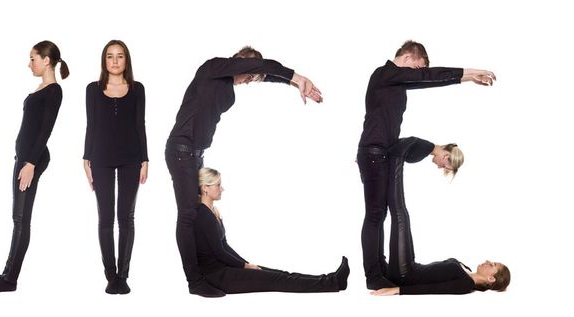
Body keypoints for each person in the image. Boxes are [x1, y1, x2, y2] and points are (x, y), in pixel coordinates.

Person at [164, 46, 322, 298]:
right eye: (249, 74)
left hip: (195, 154)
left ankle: (212, 267)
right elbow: (264, 67)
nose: (250, 81)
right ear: (239, 62)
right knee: (187, 215)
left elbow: (265, 74)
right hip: (181, 150)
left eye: (253, 79)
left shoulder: (229, 82)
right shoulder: (213, 67)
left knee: (202, 212)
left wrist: (291, 85)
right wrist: (297, 77)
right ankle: (194, 281)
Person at [356, 40, 496, 290]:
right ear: (409, 59)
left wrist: (467, 80)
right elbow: (430, 75)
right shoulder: (385, 73)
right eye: (417, 68)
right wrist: (471, 71)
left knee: (379, 214)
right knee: (375, 215)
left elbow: (430, 79)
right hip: (375, 152)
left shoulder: (395, 81)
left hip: (378, 151)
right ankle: (373, 275)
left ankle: (380, 270)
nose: (418, 74)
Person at [0, 40, 68, 293]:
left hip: (32, 159)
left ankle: (9, 279)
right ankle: (7, 273)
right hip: (25, 157)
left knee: (21, 218)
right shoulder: (41, 88)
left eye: (33, 59)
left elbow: (45, 130)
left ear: (46, 60)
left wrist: (30, 163)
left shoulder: (53, 91)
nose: (30, 64)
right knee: (17, 217)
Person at [370, 137, 509, 295]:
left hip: (405, 274)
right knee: (401, 215)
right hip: (410, 266)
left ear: (491, 279)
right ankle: (386, 160)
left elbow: (431, 289)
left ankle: (395, 157)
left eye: (493, 265)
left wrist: (396, 290)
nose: (488, 261)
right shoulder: (467, 271)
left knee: (400, 213)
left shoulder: (465, 285)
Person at [193, 168, 348, 294]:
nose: (222, 189)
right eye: (218, 185)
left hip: (226, 268)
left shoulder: (214, 211)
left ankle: (332, 280)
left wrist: (245, 263)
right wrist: (244, 267)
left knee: (280, 275)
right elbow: (219, 252)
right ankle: (332, 282)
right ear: (205, 188)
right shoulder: (203, 215)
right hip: (218, 276)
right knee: (278, 280)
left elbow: (225, 245)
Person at [82, 40, 147, 294]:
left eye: (120, 56)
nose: (115, 61)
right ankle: (110, 275)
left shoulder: (138, 88)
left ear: (126, 60)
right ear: (104, 61)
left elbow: (140, 124)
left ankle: (124, 274)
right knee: (105, 218)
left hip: (132, 158)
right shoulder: (92, 89)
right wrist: (86, 158)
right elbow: (91, 125)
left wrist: (145, 159)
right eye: (110, 57)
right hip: (100, 158)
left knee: (126, 218)